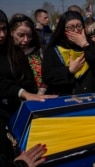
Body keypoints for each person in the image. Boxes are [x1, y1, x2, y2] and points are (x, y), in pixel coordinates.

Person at [0, 10, 48, 167]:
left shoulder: (29, 52)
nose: (1, 35)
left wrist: (37, 93)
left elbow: (33, 80)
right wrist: (23, 93)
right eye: (21, 35)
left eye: (3, 29)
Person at [0, 13, 57, 118]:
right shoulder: (7, 53)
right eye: (21, 35)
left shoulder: (41, 50)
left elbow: (48, 74)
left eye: (29, 36)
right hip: (16, 108)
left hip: (41, 102)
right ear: (11, 33)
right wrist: (24, 94)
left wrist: (41, 92)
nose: (25, 40)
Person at [42, 11, 95, 95]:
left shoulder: (89, 44)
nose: (76, 31)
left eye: (79, 26)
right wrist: (69, 70)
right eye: (70, 27)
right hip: (67, 98)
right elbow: (47, 76)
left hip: (91, 95)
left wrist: (84, 45)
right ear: (63, 29)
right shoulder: (53, 50)